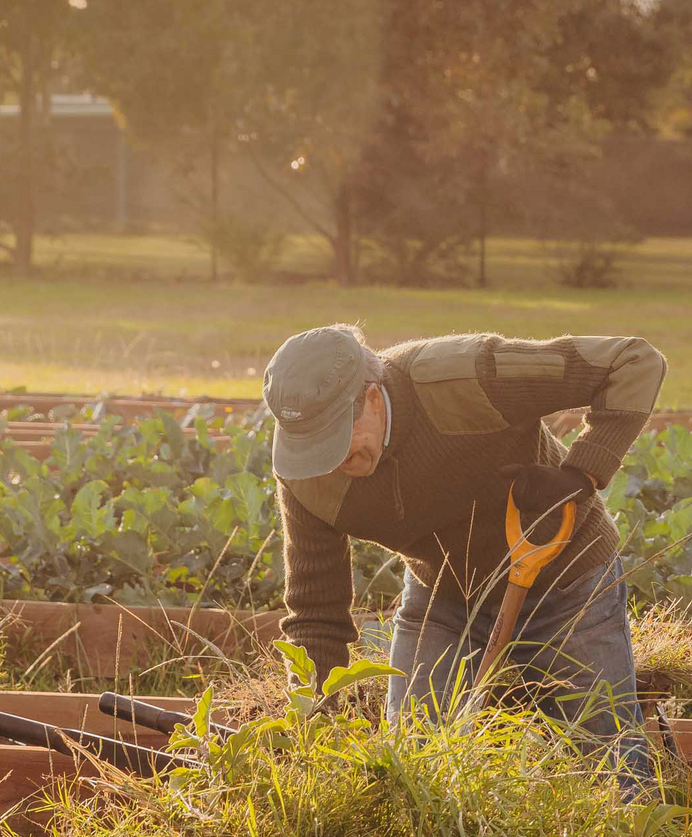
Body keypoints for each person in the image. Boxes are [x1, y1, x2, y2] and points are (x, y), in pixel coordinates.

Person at [261, 324, 666, 792]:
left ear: (373, 397)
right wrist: (317, 727)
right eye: (312, 448)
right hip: (444, 596)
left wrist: (582, 471)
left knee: (610, 765)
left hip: (567, 580)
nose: (329, 463)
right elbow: (315, 615)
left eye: (337, 441)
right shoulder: (306, 477)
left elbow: (633, 360)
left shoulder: (461, 378)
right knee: (413, 768)